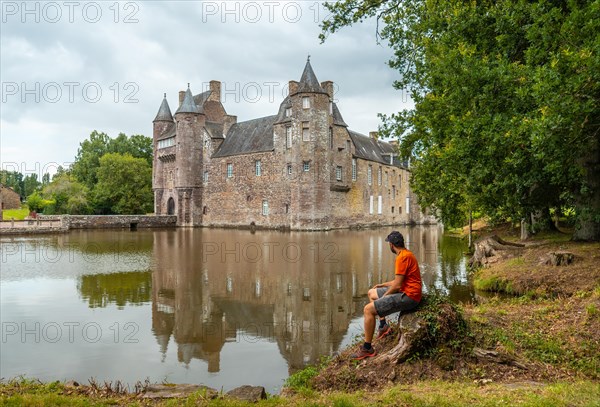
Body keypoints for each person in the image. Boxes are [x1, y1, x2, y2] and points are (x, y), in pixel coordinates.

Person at [351, 230, 422, 360]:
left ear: (391, 245)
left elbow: (397, 286)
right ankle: (383, 326)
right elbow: (398, 281)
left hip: (409, 297)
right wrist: (382, 285)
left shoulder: (402, 258)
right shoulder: (406, 254)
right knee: (372, 293)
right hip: (407, 291)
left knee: (368, 309)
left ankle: (367, 348)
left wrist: (385, 297)